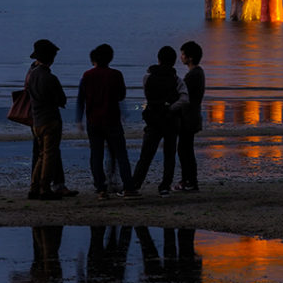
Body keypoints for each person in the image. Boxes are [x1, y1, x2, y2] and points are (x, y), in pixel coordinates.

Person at [76, 43, 138, 199]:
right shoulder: (116, 75)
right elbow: (121, 96)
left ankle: (101, 189)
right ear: (110, 58)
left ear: (94, 59)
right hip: (112, 120)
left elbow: (80, 99)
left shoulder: (87, 75)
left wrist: (79, 119)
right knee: (121, 154)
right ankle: (128, 188)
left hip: (93, 121)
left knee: (96, 155)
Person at [132, 46, 188, 196]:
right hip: (171, 120)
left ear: (158, 60)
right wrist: (171, 108)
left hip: (153, 119)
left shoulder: (147, 77)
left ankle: (135, 185)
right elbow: (184, 99)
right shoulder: (176, 79)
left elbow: (148, 95)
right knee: (169, 155)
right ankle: (164, 187)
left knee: (146, 155)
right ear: (174, 62)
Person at [27, 39, 68, 201]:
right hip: (50, 119)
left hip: (36, 120)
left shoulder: (31, 76)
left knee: (41, 155)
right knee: (49, 155)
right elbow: (61, 99)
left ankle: (34, 187)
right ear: (51, 58)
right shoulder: (50, 78)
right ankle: (45, 189)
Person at [175, 40, 205, 192]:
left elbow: (182, 95)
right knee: (186, 149)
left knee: (184, 150)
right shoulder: (198, 73)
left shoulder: (193, 75)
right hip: (193, 115)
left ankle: (189, 181)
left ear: (190, 57)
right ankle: (189, 180)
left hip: (189, 117)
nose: (181, 57)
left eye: (183, 54)